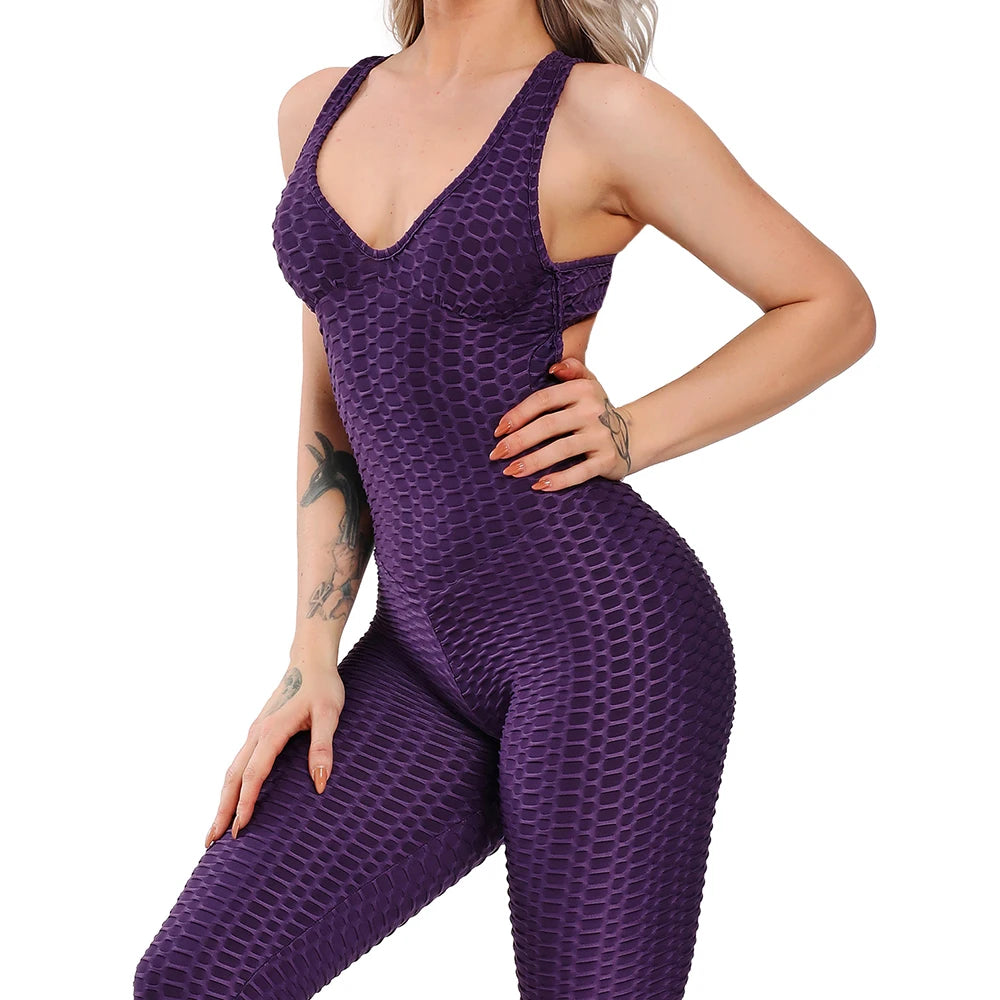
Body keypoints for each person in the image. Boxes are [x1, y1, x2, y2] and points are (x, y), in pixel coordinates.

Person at [133, 2, 875, 998]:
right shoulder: (317, 108)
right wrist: (312, 648)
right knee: (198, 977)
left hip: (606, 640)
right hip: (419, 654)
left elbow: (830, 306)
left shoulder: (604, 114)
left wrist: (632, 432)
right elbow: (332, 399)